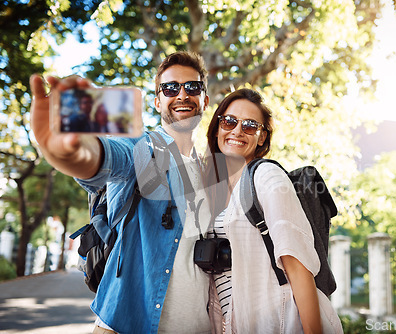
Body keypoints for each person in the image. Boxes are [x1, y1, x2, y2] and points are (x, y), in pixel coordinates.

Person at [29, 51, 213, 333]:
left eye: (193, 87)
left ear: (205, 99)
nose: (182, 95)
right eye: (170, 87)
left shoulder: (211, 173)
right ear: (157, 100)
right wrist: (72, 152)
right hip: (124, 325)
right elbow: (108, 157)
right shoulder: (146, 147)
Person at [204, 88, 344, 333]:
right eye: (228, 121)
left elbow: (297, 263)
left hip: (282, 321)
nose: (237, 130)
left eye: (249, 125)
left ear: (261, 137)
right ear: (217, 128)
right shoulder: (212, 190)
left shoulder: (267, 176)